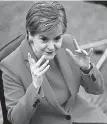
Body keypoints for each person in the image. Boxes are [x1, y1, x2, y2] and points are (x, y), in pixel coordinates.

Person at [0, 1, 107, 124]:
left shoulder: (69, 43)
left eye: (57, 38)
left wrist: (86, 69)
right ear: (30, 35)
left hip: (80, 114)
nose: (51, 47)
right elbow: (15, 120)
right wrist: (35, 87)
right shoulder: (10, 66)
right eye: (44, 39)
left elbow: (97, 90)